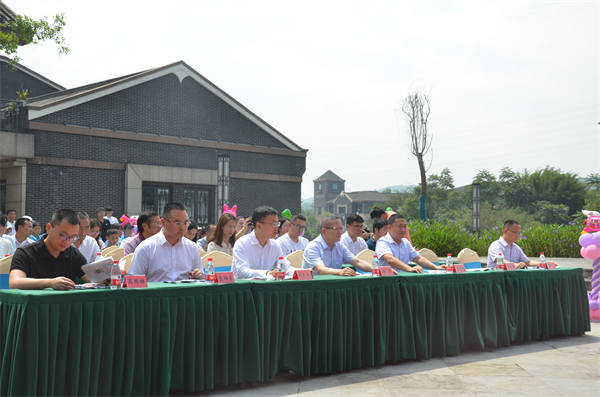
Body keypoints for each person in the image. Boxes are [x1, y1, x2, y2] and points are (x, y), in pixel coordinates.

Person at [9, 209, 95, 290]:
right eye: (63, 235)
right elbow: (14, 282)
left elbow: (94, 278)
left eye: (72, 237)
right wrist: (50, 282)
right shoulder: (26, 253)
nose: (67, 241)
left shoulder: (73, 254)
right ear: (49, 228)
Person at [129, 202, 203, 282]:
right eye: (177, 223)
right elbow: (134, 280)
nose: (183, 227)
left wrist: (199, 275)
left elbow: (200, 275)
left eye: (185, 223)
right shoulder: (146, 247)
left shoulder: (192, 247)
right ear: (163, 223)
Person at [232, 206, 295, 279]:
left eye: (277, 224)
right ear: (259, 225)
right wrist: (267, 273)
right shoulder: (242, 243)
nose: (276, 228)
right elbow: (242, 271)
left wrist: (303, 272)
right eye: (273, 224)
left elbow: (286, 268)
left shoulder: (274, 244)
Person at [302, 214, 373, 276]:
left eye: (341, 228)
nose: (340, 232)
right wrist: (340, 272)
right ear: (324, 231)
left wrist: (377, 270)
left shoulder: (339, 245)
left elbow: (357, 262)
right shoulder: (313, 247)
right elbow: (321, 270)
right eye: (336, 229)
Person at [376, 214, 445, 273]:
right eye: (400, 226)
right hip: (389, 279)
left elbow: (418, 258)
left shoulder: (405, 242)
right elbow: (390, 259)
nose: (403, 229)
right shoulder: (383, 242)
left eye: (405, 226)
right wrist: (409, 268)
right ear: (389, 227)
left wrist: (436, 267)